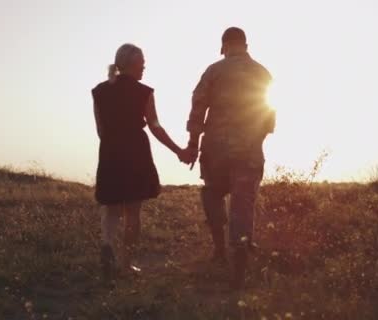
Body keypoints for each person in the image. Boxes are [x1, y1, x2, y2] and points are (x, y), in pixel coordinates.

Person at [92, 43, 193, 284]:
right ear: (132, 64)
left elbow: (100, 129)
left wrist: (112, 146)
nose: (145, 66)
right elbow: (155, 127)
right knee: (133, 211)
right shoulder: (144, 92)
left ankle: (107, 245)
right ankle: (126, 265)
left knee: (111, 205)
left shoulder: (99, 91)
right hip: (136, 151)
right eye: (142, 62)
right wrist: (178, 150)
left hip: (109, 150)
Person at [186, 27, 276, 290]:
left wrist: (193, 143)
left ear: (224, 46)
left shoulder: (214, 71)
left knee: (213, 194)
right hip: (249, 151)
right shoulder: (262, 73)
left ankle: (219, 249)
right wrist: (255, 140)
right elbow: (270, 117)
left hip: (216, 150)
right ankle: (239, 267)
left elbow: (197, 107)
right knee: (243, 204)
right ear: (245, 45)